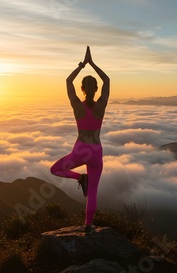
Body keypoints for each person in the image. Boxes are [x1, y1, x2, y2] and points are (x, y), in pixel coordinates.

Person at [50, 46, 110, 235]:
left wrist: (81, 66)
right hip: (96, 151)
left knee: (56, 169)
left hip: (80, 149)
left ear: (82, 89)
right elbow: (107, 80)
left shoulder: (77, 105)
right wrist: (93, 64)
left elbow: (68, 81)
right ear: (97, 89)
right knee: (92, 191)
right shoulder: (101, 104)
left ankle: (79, 178)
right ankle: (88, 225)